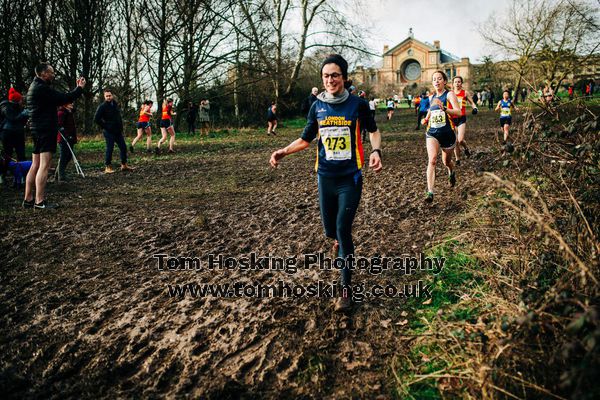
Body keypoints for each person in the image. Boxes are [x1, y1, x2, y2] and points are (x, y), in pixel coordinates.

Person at [269, 54, 382, 312]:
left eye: (335, 75)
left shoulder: (358, 105)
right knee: (331, 231)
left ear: (344, 77)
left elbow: (373, 130)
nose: (330, 80)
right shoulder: (317, 106)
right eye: (326, 76)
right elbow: (306, 139)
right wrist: (283, 151)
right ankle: (337, 243)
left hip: (350, 178)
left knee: (343, 228)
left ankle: (345, 291)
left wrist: (376, 151)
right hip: (325, 178)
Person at [23, 63, 85, 210]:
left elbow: (58, 100)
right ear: (43, 73)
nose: (54, 74)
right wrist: (79, 88)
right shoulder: (42, 88)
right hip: (45, 130)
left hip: (36, 129)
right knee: (44, 166)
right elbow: (64, 98)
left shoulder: (34, 87)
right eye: (51, 72)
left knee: (35, 165)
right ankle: (39, 201)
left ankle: (28, 199)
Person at [420, 70, 461, 203]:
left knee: (446, 162)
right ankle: (430, 192)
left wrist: (445, 109)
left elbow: (458, 112)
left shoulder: (449, 94)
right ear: (432, 82)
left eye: (439, 79)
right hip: (432, 133)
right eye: (434, 79)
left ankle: (451, 171)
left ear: (444, 81)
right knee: (432, 160)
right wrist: (425, 120)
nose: (436, 81)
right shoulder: (431, 97)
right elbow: (430, 112)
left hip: (447, 134)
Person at [94, 89, 132, 173]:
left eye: (109, 95)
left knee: (123, 147)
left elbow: (118, 117)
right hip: (108, 131)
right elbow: (96, 119)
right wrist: (106, 126)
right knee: (110, 148)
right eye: (106, 96)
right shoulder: (102, 106)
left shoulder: (115, 104)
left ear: (112, 95)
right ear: (104, 97)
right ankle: (108, 167)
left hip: (118, 131)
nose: (108, 97)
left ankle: (124, 165)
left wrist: (121, 127)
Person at [0, 87, 28, 185]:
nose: (22, 101)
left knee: (21, 155)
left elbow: (22, 122)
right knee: (7, 155)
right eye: (20, 99)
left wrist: (25, 116)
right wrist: (23, 114)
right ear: (16, 100)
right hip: (7, 134)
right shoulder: (5, 107)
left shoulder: (20, 108)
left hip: (18, 134)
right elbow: (12, 118)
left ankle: (22, 177)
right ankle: (3, 175)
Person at [449, 76, 477, 165]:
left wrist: (475, 108)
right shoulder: (449, 94)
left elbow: (472, 103)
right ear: (452, 84)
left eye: (459, 82)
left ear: (461, 83)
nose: (457, 83)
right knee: (455, 141)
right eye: (455, 82)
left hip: (461, 118)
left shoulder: (465, 93)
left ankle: (466, 148)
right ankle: (457, 159)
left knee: (460, 140)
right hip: (451, 119)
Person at [55, 103, 77, 182]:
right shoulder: (61, 113)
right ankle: (61, 175)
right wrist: (66, 135)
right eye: (70, 103)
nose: (72, 104)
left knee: (68, 156)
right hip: (63, 139)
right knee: (64, 156)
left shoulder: (69, 112)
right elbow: (59, 125)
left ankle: (58, 173)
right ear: (65, 104)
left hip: (70, 138)